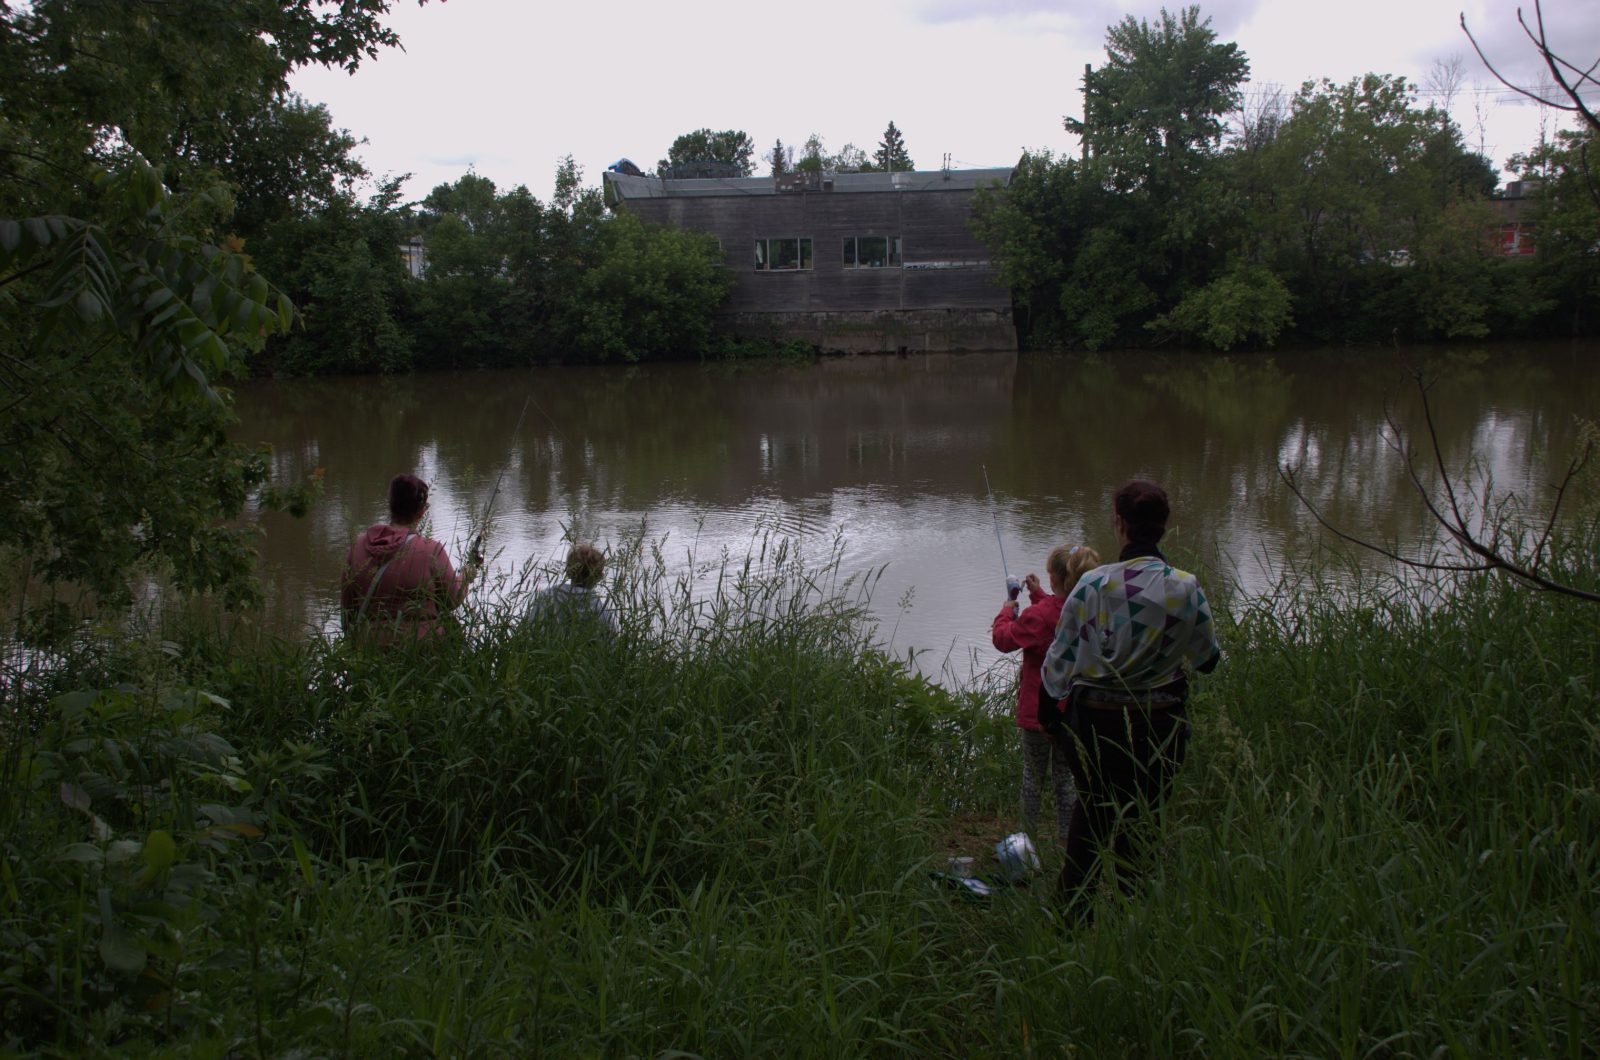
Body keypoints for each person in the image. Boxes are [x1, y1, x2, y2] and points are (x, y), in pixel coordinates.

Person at [1040, 479, 1221, 907]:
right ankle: (1133, 918)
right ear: (1164, 526)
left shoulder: (1093, 586)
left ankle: (1072, 919)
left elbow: (1058, 664)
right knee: (1142, 819)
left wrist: (1051, 721)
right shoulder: (1185, 587)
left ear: (1118, 523)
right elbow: (1208, 661)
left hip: (1095, 725)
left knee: (1092, 813)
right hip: (1161, 727)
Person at [991, 544, 1101, 846]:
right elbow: (1056, 615)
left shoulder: (1038, 616)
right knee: (1065, 779)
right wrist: (1038, 596)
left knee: (1033, 777)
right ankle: (1069, 842)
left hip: (1038, 714)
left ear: (1054, 578)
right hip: (1071, 713)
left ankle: (1025, 842)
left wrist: (1007, 607)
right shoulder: (1087, 610)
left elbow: (1003, 640)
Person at [340, 473, 479, 642]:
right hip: (420, 650)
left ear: (390, 504)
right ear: (422, 512)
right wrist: (466, 576)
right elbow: (452, 599)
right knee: (452, 627)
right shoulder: (430, 550)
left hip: (369, 648)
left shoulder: (358, 546)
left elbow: (347, 608)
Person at [527, 542, 617, 633]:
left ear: (568, 571)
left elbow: (532, 628)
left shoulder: (548, 596)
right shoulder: (600, 608)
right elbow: (611, 639)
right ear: (599, 577)